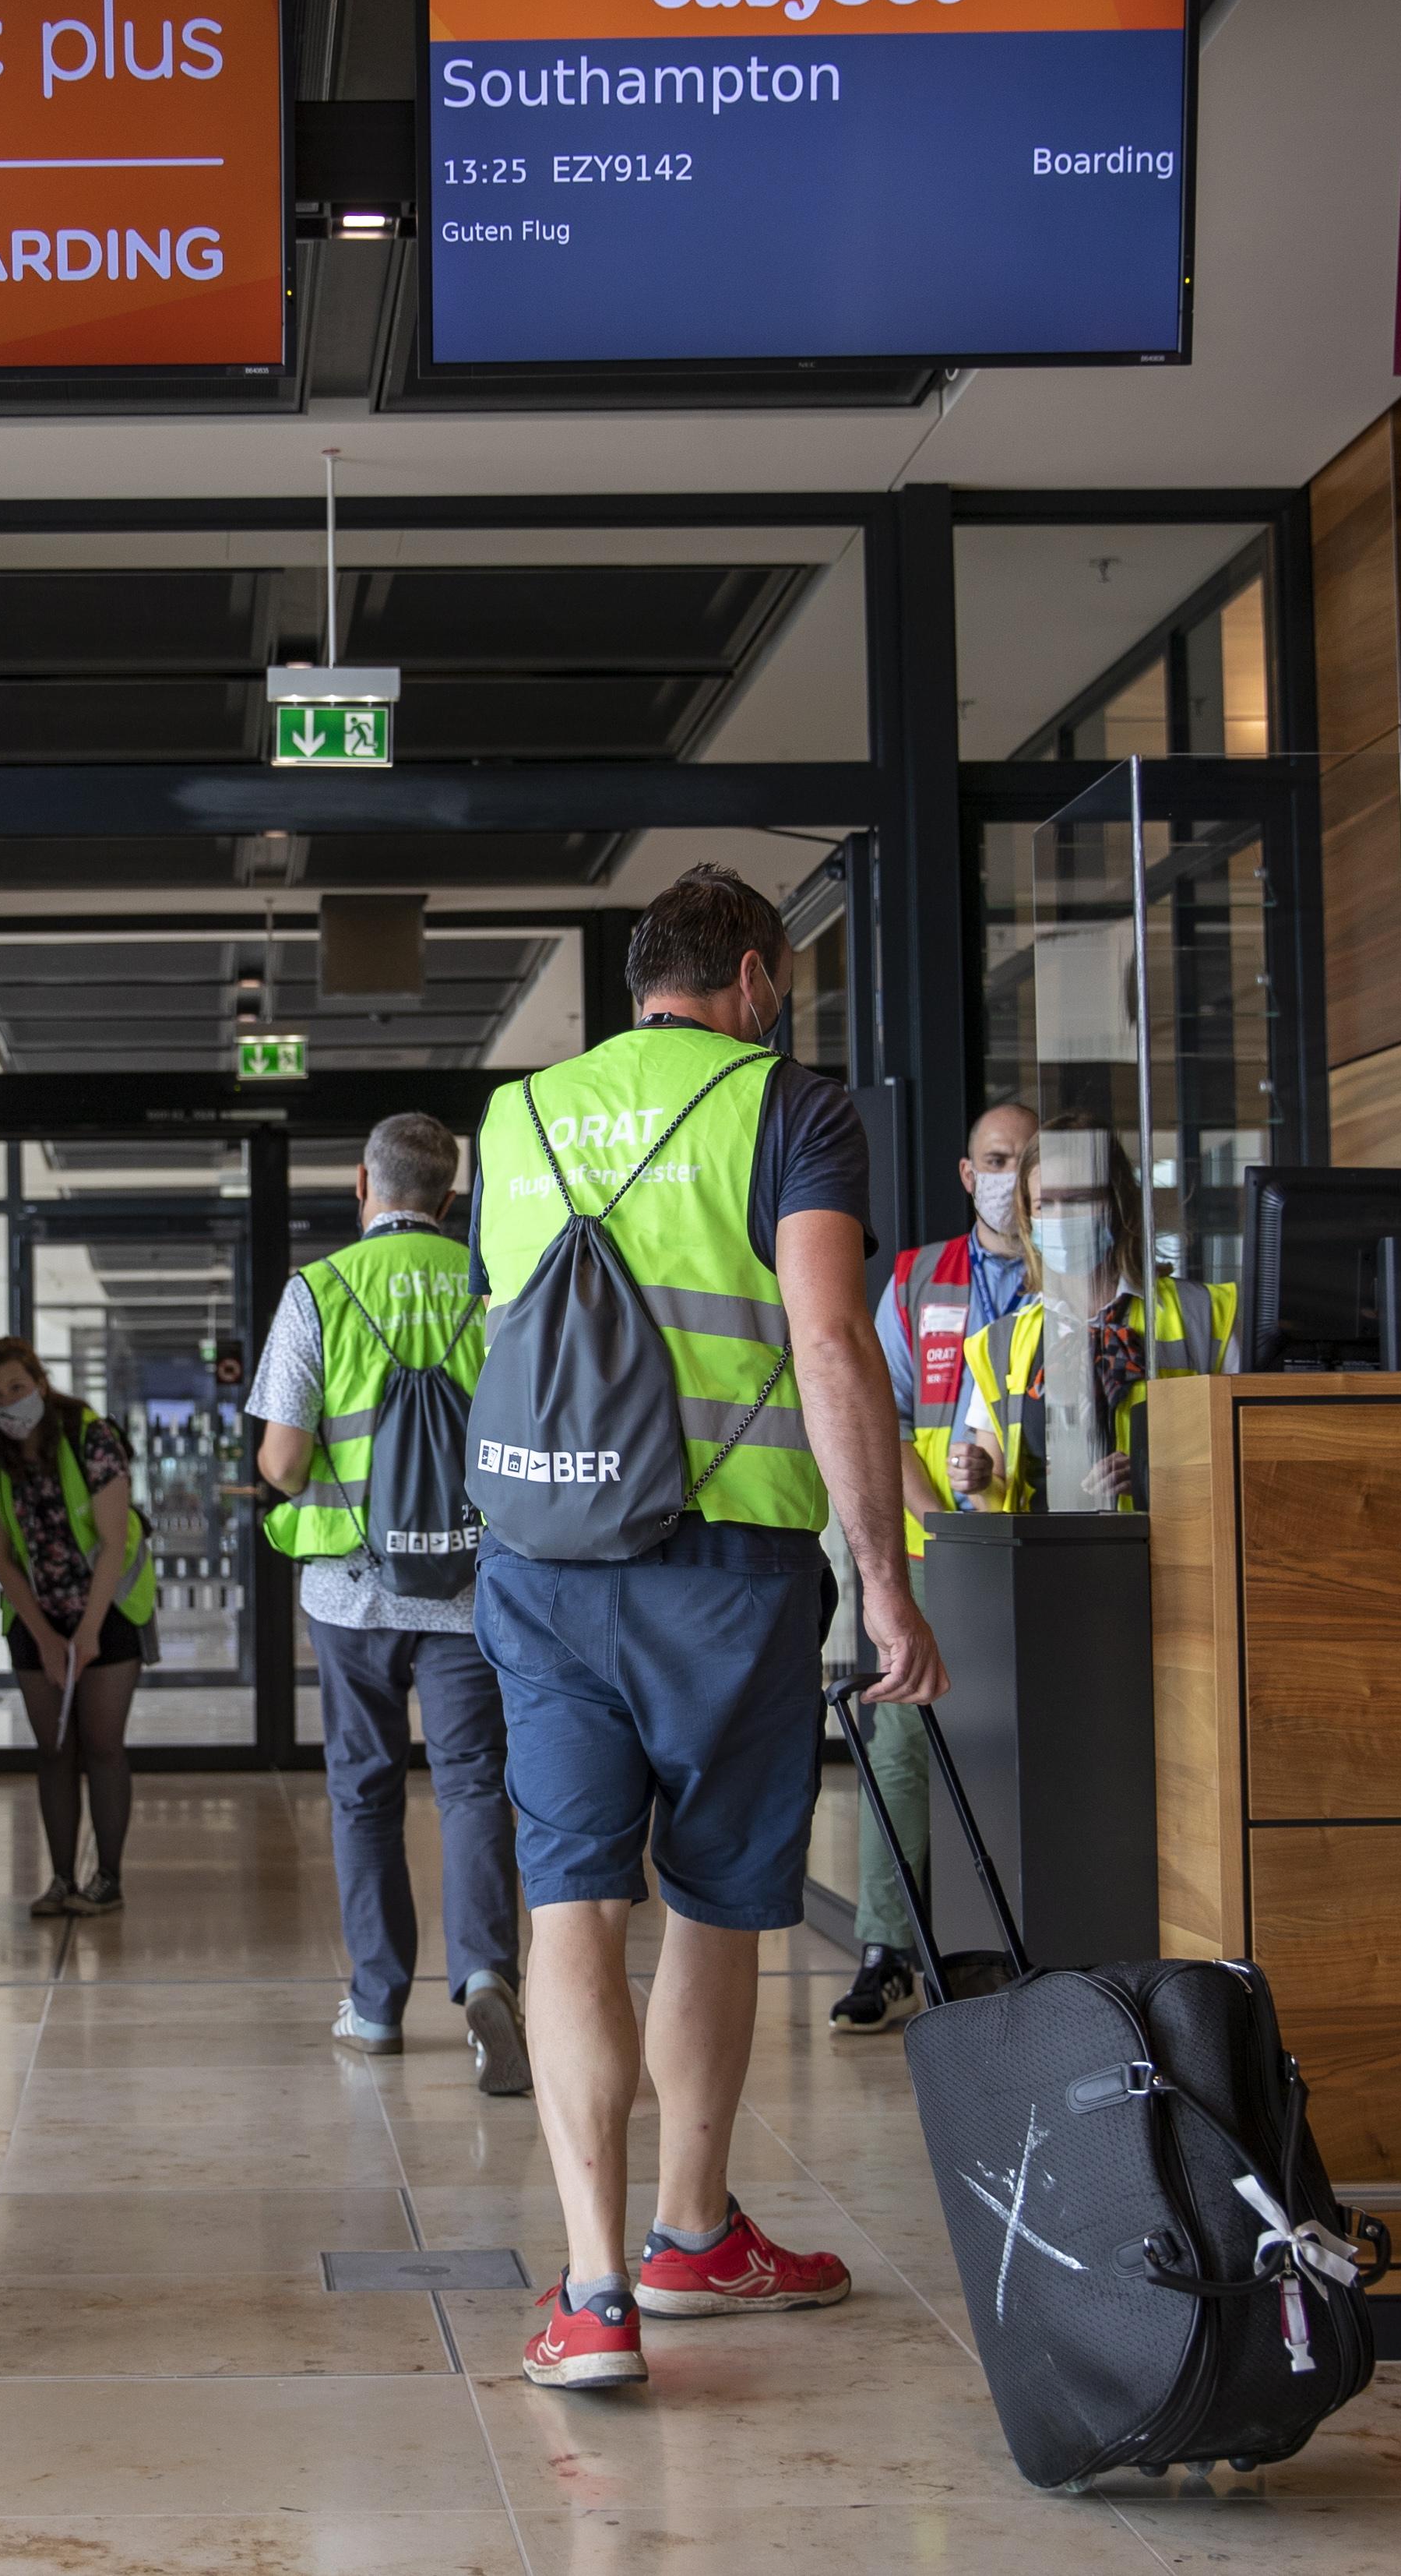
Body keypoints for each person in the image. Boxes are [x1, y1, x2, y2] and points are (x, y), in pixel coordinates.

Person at [470, 865, 941, 2395]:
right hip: (727, 1565)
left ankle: (596, 2289)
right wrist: (884, 1572)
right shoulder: (791, 1107)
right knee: (722, 1899)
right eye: (780, 981)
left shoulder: (517, 1120)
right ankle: (690, 2235)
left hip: (542, 1563)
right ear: (751, 972)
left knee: (570, 1907)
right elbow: (824, 1337)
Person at [248, 1109, 525, 2093]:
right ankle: (489, 1969)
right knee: (473, 1785)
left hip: (351, 1591)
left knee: (364, 1794)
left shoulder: (318, 1291)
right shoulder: (492, 1286)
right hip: (467, 1583)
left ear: (362, 1188)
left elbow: (281, 1463)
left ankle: (375, 2005)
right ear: (450, 1200)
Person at [833, 1097, 1036, 2038]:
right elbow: (876, 1409)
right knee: (902, 1746)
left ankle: (1014, 1942)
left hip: (1044, 1550)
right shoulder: (918, 1280)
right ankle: (886, 1948)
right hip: (928, 1551)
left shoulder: (1072, 1281)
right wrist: (934, 1521)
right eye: (995, 1157)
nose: (1012, 1176)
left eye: (1028, 1160)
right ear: (966, 1173)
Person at [949, 1117, 1241, 1514]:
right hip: (1052, 1560)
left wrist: (1156, 1472)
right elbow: (1000, 1496)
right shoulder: (1001, 1342)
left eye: (1080, 1200)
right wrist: (979, 1482)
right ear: (1027, 1216)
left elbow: (1250, 1451)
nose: (1061, 1217)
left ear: (1119, 1206)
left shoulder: (1204, 1314)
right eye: (1045, 1204)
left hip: (1178, 1559)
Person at [0, 1336, 155, 1918]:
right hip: (35, 1609)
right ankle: (61, 1878)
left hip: (109, 1603)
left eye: (17, 1388)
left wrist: (87, 1632)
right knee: (52, 1749)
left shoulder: (91, 1437)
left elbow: (115, 1541)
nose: (7, 1402)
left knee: (101, 1744)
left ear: (41, 1384)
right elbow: (2, 1557)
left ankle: (108, 1879)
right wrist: (46, 1638)